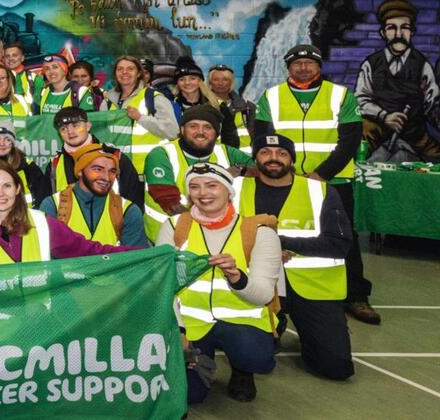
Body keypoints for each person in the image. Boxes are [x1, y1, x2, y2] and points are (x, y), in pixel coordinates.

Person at [256, 45, 380, 325]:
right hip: (283, 180)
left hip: (332, 182)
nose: (303, 67)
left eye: (309, 63)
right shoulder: (271, 96)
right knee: (276, 233)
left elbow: (349, 140)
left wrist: (320, 174)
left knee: (343, 237)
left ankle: (356, 295)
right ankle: (278, 294)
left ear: (319, 67)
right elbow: (261, 138)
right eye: (297, 63)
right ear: (288, 67)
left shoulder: (340, 95)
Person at [156, 162, 282, 404]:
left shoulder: (259, 232)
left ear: (228, 191)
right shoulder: (174, 227)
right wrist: (179, 330)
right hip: (191, 323)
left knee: (254, 356)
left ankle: (242, 370)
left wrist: (237, 277)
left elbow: (264, 295)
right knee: (191, 396)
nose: (203, 193)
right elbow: (163, 287)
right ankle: (198, 364)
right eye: (194, 187)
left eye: (212, 186)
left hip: (241, 322)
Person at [236, 134, 355, 381]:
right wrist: (267, 251)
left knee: (335, 368)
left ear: (291, 159)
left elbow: (340, 243)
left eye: (281, 153)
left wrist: (284, 244)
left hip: (311, 287)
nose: (273, 159)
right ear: (255, 157)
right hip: (255, 285)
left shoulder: (321, 191)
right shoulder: (235, 189)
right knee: (254, 356)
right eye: (265, 153)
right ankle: (271, 325)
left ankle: (325, 328)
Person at [0, 160, 138, 266]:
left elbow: (89, 251)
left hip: (40, 327)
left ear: (18, 189)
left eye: (7, 186)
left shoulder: (41, 223)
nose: (0, 193)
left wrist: (143, 255)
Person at [144, 104, 254, 240]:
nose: (200, 132)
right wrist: (210, 230)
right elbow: (169, 204)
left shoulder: (227, 152)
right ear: (182, 129)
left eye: (207, 127)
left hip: (216, 240)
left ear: (217, 133)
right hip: (168, 239)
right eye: (193, 126)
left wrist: (241, 170)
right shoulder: (162, 154)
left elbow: (265, 170)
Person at [357, 0, 440, 162]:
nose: (398, 34)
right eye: (391, 28)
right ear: (383, 33)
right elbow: (361, 100)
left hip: (414, 133)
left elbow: (432, 103)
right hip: (377, 130)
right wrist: (384, 116)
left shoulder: (422, 65)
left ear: (412, 32)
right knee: (357, 156)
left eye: (404, 28)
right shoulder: (371, 64)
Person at [38, 143, 148, 247]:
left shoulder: (128, 210)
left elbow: (136, 260)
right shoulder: (53, 206)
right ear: (80, 171)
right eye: (97, 169)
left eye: (112, 171)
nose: (106, 177)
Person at [44, 107, 145, 206]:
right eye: (63, 129)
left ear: (88, 126)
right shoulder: (54, 164)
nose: (70, 132)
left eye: (75, 126)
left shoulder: (115, 157)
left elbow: (134, 201)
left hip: (111, 221)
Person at [103, 56, 178, 173]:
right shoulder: (107, 101)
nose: (124, 72)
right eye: (120, 69)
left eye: (130, 69)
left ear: (138, 74)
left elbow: (172, 131)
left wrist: (140, 118)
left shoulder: (154, 98)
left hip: (149, 171)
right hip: (116, 172)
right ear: (115, 74)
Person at [0, 126, 47, 204]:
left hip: (23, 215)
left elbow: (42, 200)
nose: (2, 143)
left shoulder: (28, 168)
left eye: (7, 139)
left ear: (12, 143)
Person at [208, 64, 255, 150]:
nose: (220, 83)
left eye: (225, 79)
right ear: (210, 82)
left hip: (244, 157)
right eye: (216, 79)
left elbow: (255, 135)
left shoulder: (247, 107)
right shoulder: (204, 107)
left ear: (231, 82)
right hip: (216, 156)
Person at [33, 55, 98, 113]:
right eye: (47, 68)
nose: (51, 72)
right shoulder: (42, 92)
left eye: (55, 67)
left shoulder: (81, 91)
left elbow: (88, 121)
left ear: (65, 70)